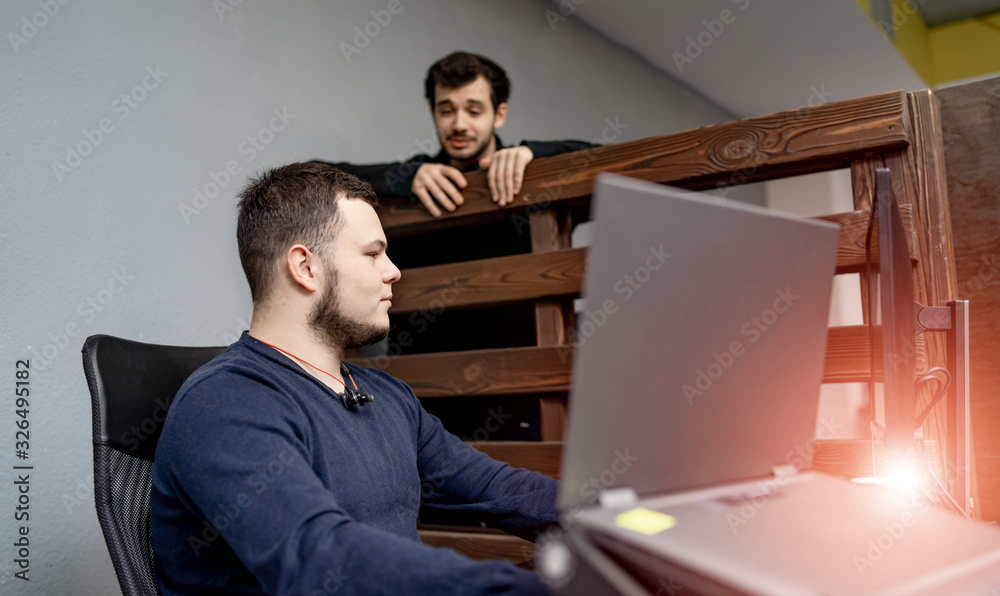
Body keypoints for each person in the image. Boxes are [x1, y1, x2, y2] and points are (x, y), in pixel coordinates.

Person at [150, 162, 559, 595]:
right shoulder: (225, 403)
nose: (393, 271)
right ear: (306, 268)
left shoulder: (383, 394)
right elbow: (320, 559)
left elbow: (493, 488)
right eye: (372, 253)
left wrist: (608, 520)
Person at [322, 51, 596, 217]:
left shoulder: (532, 166)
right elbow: (312, 176)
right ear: (433, 113)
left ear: (499, 115)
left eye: (474, 111)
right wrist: (403, 177)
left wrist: (534, 152)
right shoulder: (416, 172)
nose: (459, 125)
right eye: (447, 111)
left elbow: (612, 162)